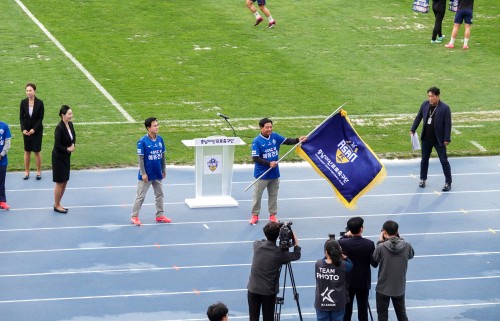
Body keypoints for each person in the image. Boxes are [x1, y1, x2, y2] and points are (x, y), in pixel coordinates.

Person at [249, 118, 307, 224]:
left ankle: (272, 215)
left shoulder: (275, 136)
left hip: (274, 174)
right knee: (257, 196)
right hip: (261, 174)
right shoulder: (256, 141)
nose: (269, 129)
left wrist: (298, 139)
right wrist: (269, 163)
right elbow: (255, 158)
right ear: (261, 128)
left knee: (273, 195)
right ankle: (255, 215)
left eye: (271, 127)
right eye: (267, 127)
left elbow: (287, 141)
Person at [247, 221, 301, 321]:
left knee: (253, 318)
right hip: (268, 291)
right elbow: (297, 255)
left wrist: (276, 227)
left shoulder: (257, 245)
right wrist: (293, 237)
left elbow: (265, 239)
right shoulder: (279, 253)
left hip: (253, 288)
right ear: (278, 236)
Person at [130, 117, 172, 226]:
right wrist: (143, 173)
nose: (157, 127)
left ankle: (160, 215)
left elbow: (162, 156)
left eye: (157, 125)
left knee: (160, 195)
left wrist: (164, 169)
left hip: (157, 172)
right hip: (147, 175)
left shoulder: (160, 139)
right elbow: (141, 159)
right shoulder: (142, 142)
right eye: (155, 125)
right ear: (149, 128)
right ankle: (134, 217)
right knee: (141, 196)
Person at [410, 87, 452, 192]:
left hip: (439, 140)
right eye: (428, 96)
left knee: (443, 160)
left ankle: (448, 182)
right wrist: (413, 129)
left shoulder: (445, 108)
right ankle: (423, 179)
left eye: (432, 96)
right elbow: (418, 117)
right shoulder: (425, 105)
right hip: (426, 138)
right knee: (424, 160)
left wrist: (447, 138)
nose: (430, 98)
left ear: (437, 96)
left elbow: (448, 124)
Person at [372, 220, 414, 321]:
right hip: (399, 287)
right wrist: (400, 239)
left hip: (383, 287)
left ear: (384, 233)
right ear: (397, 231)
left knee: (382, 317)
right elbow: (411, 255)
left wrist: (380, 242)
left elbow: (374, 261)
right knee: (402, 315)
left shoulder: (381, 247)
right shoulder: (407, 245)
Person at [338, 217, 376, 321]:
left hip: (347, 281)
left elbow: (339, 242)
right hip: (363, 281)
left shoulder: (343, 242)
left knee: (347, 310)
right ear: (361, 228)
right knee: (363, 310)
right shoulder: (369, 244)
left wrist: (345, 235)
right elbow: (374, 263)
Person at [314, 238, 353, 321]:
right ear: (339, 251)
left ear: (326, 252)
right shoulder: (343, 265)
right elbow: (351, 265)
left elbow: (324, 260)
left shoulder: (318, 264)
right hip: (338, 303)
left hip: (322, 302)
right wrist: (342, 255)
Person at [52, 105, 76, 214]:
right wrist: (68, 149)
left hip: (66, 157)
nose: (71, 116)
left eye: (71, 113)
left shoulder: (70, 124)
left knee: (65, 181)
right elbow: (57, 145)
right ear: (63, 115)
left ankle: (59, 203)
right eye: (69, 114)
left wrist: (73, 144)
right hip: (58, 158)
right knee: (59, 182)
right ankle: (56, 205)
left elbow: (73, 136)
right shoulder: (59, 128)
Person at [19, 83, 45, 180]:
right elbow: (21, 117)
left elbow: (40, 118)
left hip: (36, 130)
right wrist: (24, 129)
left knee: (37, 151)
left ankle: (38, 171)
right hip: (26, 131)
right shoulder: (23, 102)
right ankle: (26, 171)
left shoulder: (40, 103)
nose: (28, 92)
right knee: (27, 151)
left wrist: (34, 129)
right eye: (27, 90)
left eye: (30, 90)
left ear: (34, 91)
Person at [0, 121, 12, 210]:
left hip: (2, 160)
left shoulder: (4, 126)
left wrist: (1, 154)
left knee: (1, 182)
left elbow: (7, 143)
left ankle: (2, 201)